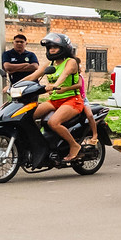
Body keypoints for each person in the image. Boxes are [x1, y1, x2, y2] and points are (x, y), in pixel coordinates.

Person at [35, 32, 87, 161]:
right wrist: (14, 86)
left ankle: (74, 145)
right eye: (49, 47)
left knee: (54, 122)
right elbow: (34, 75)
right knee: (29, 115)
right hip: (54, 100)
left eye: (55, 47)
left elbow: (64, 75)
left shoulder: (71, 62)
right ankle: (39, 143)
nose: (51, 49)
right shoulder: (50, 64)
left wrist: (55, 85)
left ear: (64, 48)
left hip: (72, 100)